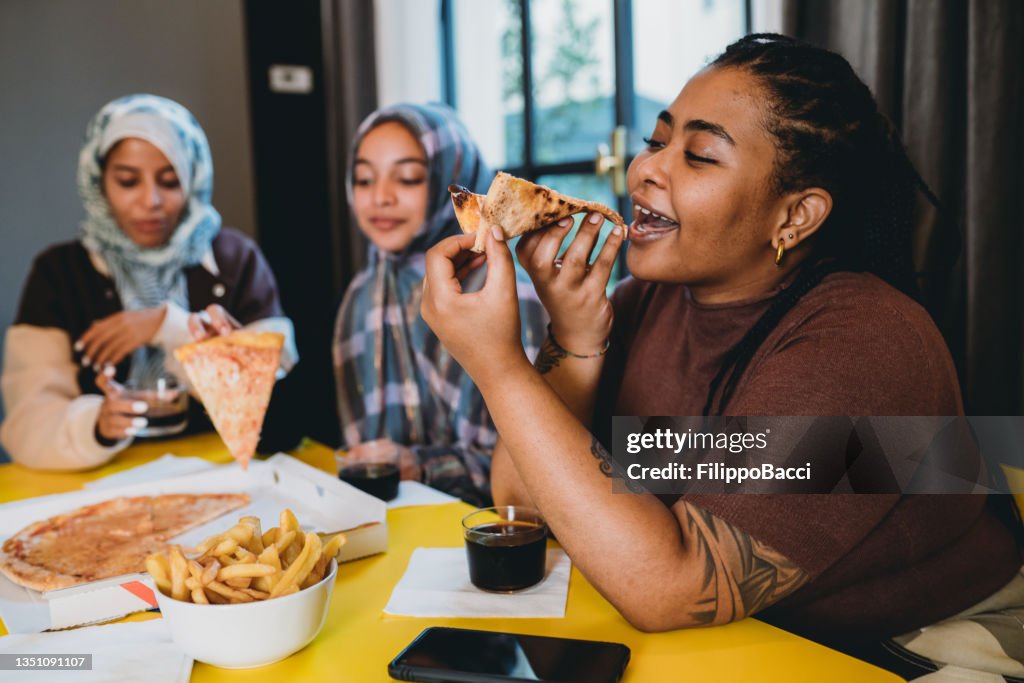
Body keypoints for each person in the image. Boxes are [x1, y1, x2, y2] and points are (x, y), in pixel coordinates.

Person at [420, 35, 1023, 679]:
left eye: (701, 155)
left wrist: (499, 366)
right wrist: (572, 340)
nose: (645, 170)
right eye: (656, 142)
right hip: (733, 642)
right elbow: (523, 505)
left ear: (795, 216)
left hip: (914, 649)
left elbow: (675, 587)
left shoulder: (867, 341)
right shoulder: (642, 302)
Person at [1, 94, 297, 470]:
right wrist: (97, 426)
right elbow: (27, 422)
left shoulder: (235, 260)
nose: (151, 200)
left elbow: (282, 419)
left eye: (170, 181)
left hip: (223, 474)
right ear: (99, 182)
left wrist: (168, 326)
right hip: (93, 487)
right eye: (128, 181)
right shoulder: (59, 273)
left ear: (193, 181)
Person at [334, 102, 547, 506]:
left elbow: (541, 468)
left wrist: (421, 465)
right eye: (364, 179)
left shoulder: (504, 292)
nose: (380, 197)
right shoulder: (362, 294)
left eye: (408, 178)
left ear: (453, 181)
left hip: (493, 534)